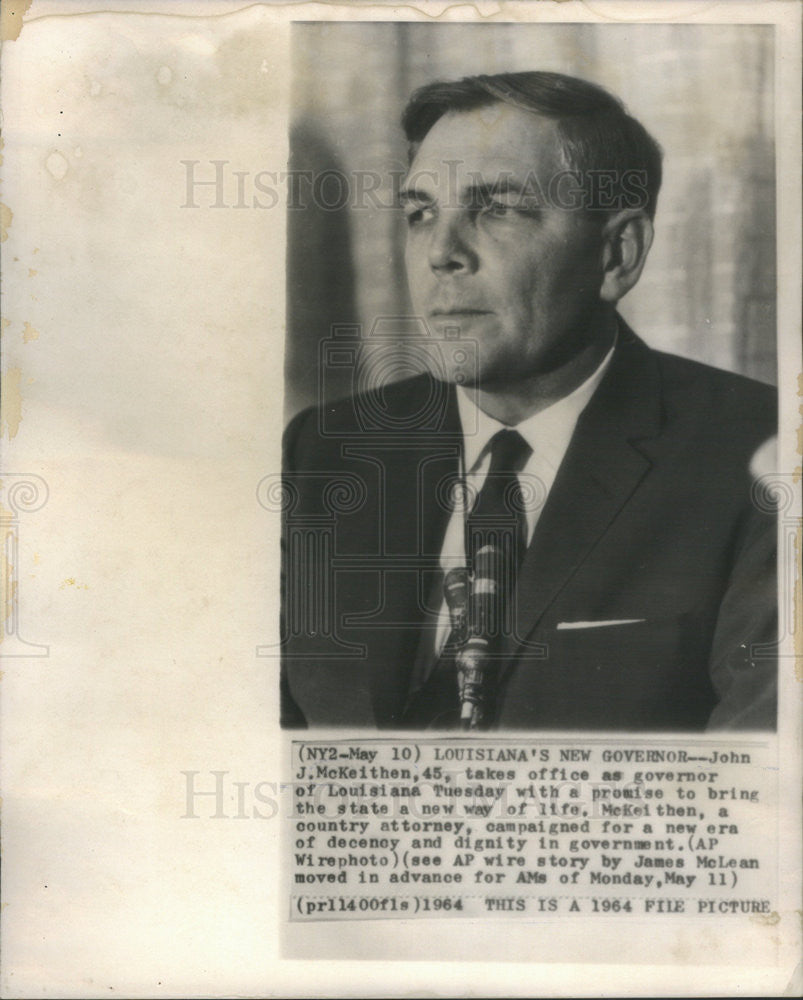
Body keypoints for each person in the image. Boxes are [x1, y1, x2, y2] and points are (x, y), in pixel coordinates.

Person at [280, 71, 777, 731]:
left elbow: (755, 795)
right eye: (420, 213)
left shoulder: (759, 457)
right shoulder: (325, 451)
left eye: (497, 208)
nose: (441, 253)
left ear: (615, 256)